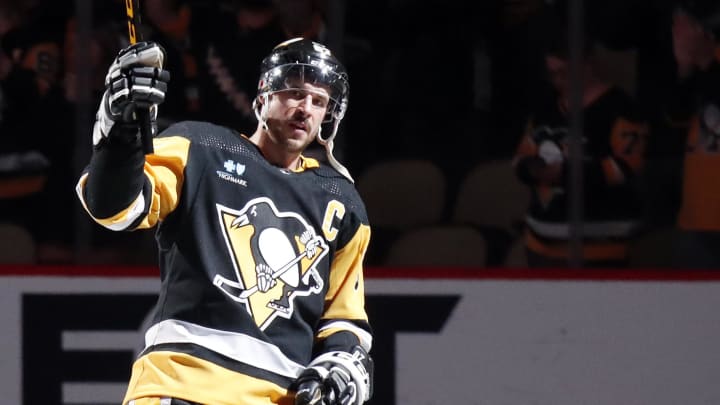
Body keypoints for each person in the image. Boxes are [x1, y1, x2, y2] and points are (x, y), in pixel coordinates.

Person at [75, 37, 373, 404]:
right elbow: (114, 208)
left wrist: (342, 363)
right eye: (295, 93)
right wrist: (121, 134)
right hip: (179, 385)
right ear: (263, 95)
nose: (305, 109)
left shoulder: (341, 201)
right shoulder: (200, 147)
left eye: (319, 101)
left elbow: (343, 319)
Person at [512, 19, 650, 268]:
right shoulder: (546, 107)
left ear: (587, 64)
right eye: (552, 74)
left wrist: (564, 173)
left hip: (600, 247)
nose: (558, 81)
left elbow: (627, 166)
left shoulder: (620, 108)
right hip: (541, 244)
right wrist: (530, 168)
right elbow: (521, 156)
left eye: (564, 73)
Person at [666, 0, 720, 268]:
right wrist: (685, 70)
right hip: (696, 218)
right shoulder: (699, 66)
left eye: (682, 23)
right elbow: (674, 121)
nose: (676, 30)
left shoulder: (710, 62)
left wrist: (705, 60)